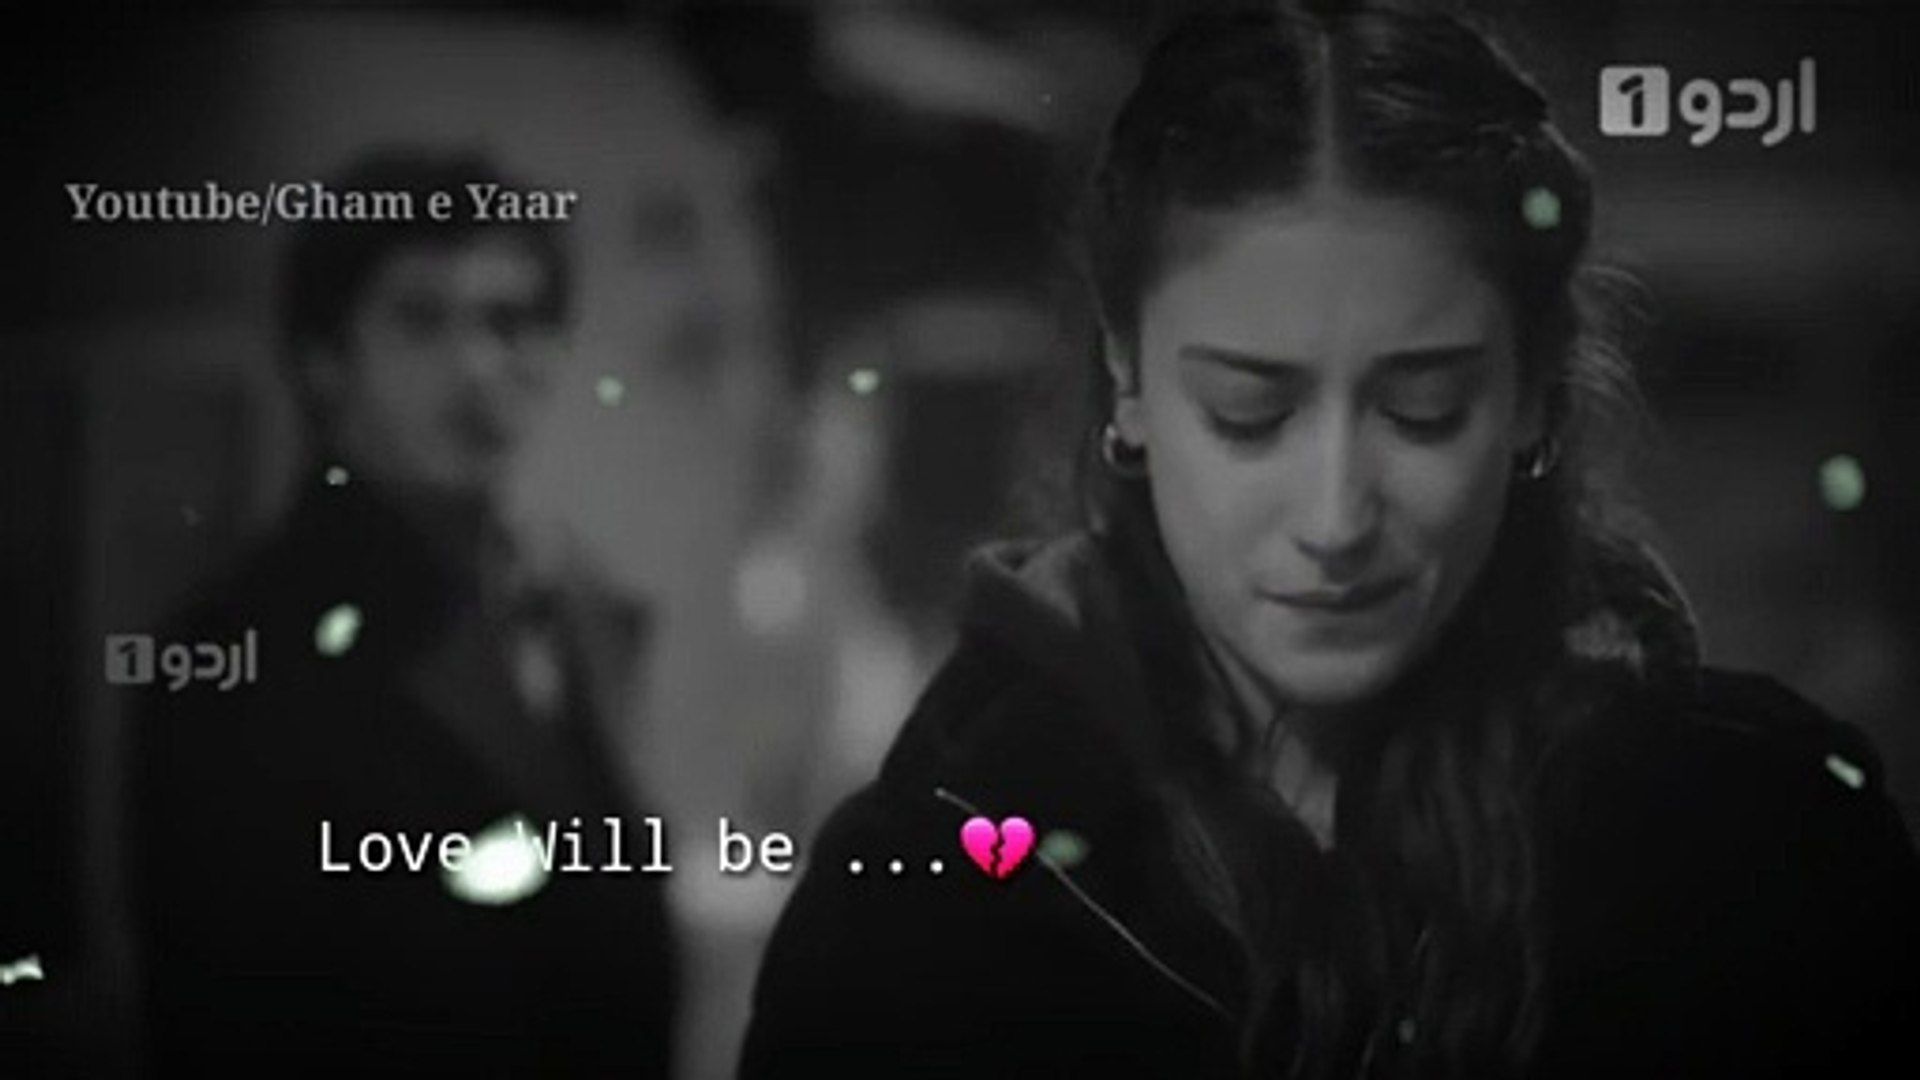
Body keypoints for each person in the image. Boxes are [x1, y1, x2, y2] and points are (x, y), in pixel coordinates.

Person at [736, 3, 1920, 1077]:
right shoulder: (918, 913)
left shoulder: (1766, 847)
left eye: (1424, 410)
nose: (1337, 517)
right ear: (1127, 382)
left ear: (1535, 398)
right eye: (1249, 414)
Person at [131, 148, 677, 1075]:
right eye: (421, 319)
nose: (478, 366)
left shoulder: (567, 608)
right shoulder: (238, 655)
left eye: (513, 321)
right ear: (325, 360)